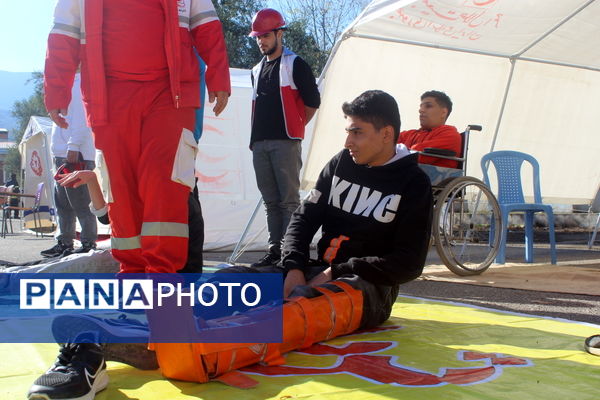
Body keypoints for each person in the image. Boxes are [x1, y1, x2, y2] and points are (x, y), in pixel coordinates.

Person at [101, 90, 434, 385]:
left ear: (386, 133)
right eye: (348, 132)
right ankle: (144, 331)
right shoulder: (341, 164)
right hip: (316, 269)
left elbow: (408, 263)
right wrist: (294, 267)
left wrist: (338, 271)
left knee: (303, 306)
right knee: (233, 281)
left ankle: (200, 352)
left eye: (357, 133)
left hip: (368, 286)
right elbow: (303, 220)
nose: (348, 142)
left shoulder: (413, 184)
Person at [29, 0, 231, 398]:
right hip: (107, 100)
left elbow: (206, 24)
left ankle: (164, 305)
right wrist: (56, 86)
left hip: (170, 97)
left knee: (165, 198)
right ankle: (134, 299)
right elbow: (64, 33)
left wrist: (220, 75)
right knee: (121, 198)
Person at [248, 8, 321, 268]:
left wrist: (295, 129)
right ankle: (274, 251)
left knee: (288, 201)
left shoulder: (295, 63)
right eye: (257, 37)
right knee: (271, 201)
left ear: (280, 33)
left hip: (286, 142)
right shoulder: (256, 69)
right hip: (259, 144)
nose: (261, 41)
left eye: (266, 35)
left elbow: (313, 101)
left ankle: (290, 254)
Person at [40, 74, 98, 258]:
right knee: (63, 203)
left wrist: (73, 146)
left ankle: (88, 242)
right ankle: (65, 242)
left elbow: (82, 118)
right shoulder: (67, 84)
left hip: (75, 153)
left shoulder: (79, 83)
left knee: (80, 202)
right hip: (62, 153)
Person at [398, 90, 461, 168]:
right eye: (421, 107)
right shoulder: (409, 134)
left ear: (443, 112)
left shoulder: (450, 134)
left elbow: (417, 156)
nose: (421, 110)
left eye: (428, 106)